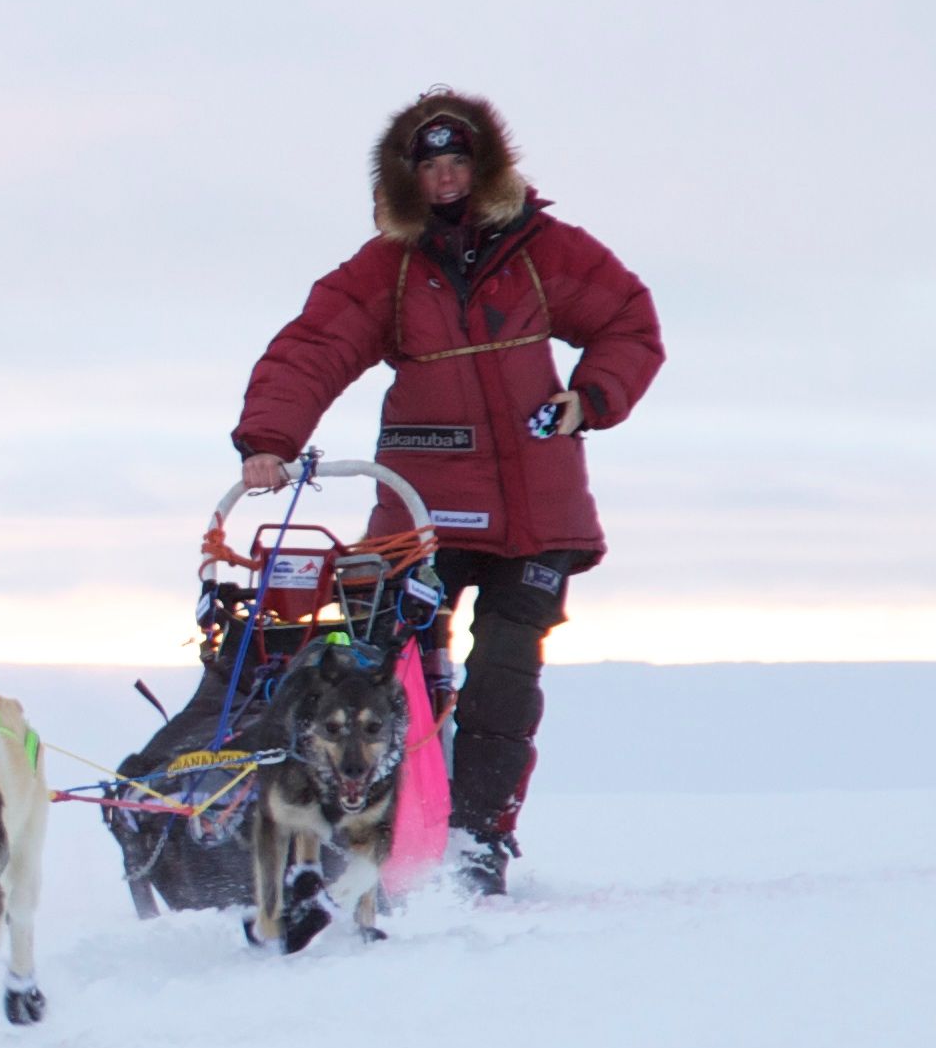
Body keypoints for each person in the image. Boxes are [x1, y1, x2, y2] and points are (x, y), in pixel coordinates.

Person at [228, 89, 663, 897]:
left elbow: (629, 322)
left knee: (502, 670)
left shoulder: (549, 253)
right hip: (419, 507)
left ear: (486, 168)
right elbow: (314, 347)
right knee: (378, 667)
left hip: (536, 514)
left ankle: (476, 838)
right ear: (407, 180)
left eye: (459, 162)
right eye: (429, 167)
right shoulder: (387, 270)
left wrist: (589, 397)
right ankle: (359, 832)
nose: (446, 179)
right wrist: (268, 440)